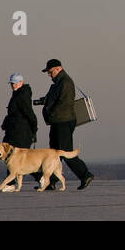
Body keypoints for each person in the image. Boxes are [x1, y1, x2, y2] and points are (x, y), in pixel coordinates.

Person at [32, 59, 95, 190]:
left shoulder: (65, 82)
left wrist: (51, 112)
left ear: (58, 69)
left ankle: (85, 175)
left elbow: (64, 103)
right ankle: (51, 182)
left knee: (64, 152)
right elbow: (53, 98)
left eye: (50, 72)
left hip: (63, 122)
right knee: (53, 154)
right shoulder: (58, 83)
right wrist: (42, 101)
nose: (49, 75)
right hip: (58, 122)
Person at [1, 73, 38, 149]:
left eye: (15, 83)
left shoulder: (22, 95)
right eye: (11, 83)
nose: (13, 85)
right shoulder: (17, 94)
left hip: (21, 133)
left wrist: (34, 130)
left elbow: (29, 113)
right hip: (14, 131)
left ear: (21, 82)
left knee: (18, 157)